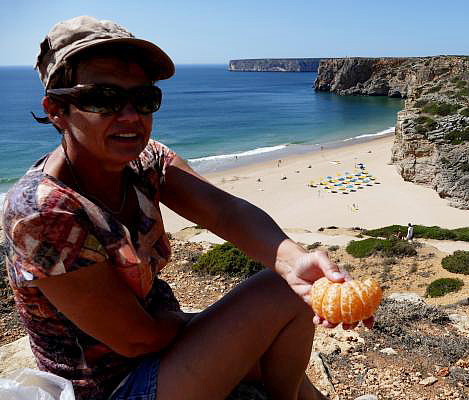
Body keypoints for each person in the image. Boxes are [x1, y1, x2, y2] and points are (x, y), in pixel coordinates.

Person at [2, 16, 372, 400]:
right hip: (113, 386)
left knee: (290, 306)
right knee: (278, 297)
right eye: (104, 98)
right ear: (56, 109)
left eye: (145, 99)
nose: (131, 116)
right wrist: (199, 324)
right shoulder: (42, 213)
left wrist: (295, 260)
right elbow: (135, 340)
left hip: (161, 348)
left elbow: (222, 211)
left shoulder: (144, 162)